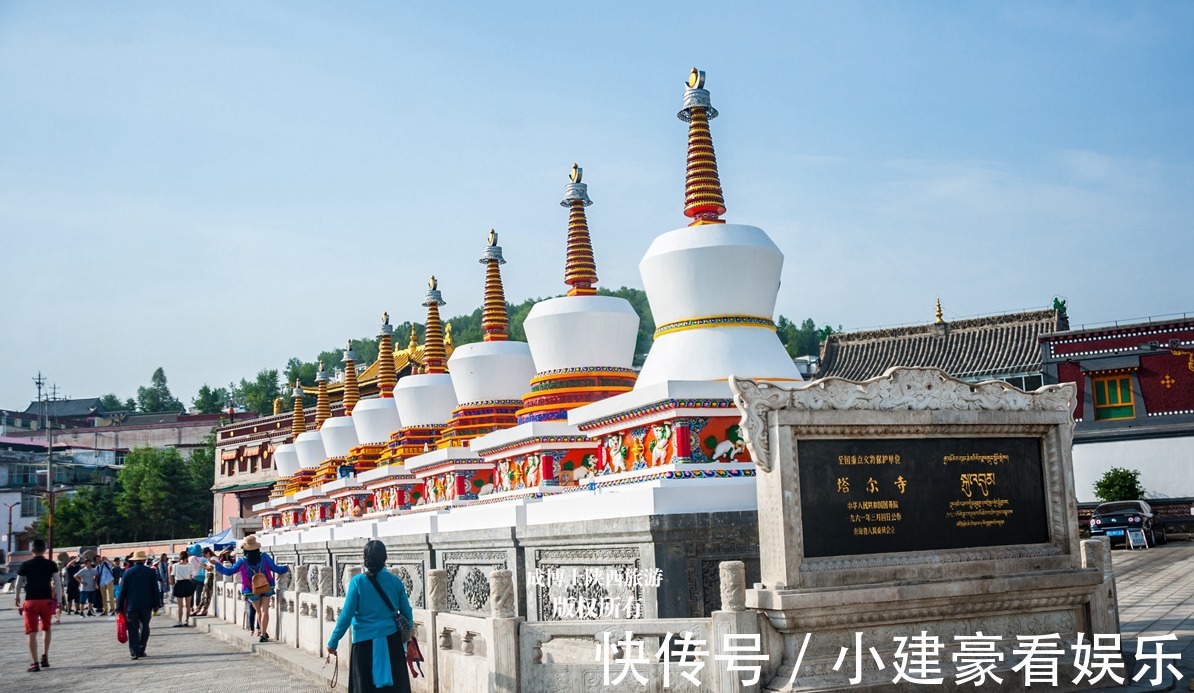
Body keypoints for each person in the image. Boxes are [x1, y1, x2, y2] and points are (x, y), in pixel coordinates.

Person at [327, 540, 413, 693]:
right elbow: (407, 613)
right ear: (385, 558)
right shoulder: (395, 582)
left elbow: (346, 615)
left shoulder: (357, 582)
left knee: (365, 687)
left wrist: (333, 641)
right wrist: (406, 641)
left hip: (364, 644)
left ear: (365, 558)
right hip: (391, 641)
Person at [209, 535, 288, 642]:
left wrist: (217, 565)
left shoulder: (242, 561)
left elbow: (229, 572)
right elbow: (275, 568)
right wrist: (286, 568)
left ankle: (262, 632)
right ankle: (263, 634)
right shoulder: (264, 556)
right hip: (266, 586)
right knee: (265, 610)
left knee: (259, 612)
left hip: (251, 590)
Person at [15, 538, 63, 673]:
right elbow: (57, 583)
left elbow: (19, 583)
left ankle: (35, 663)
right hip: (46, 600)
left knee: (31, 632)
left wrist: (16, 596)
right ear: (44, 550)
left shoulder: (25, 565)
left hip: (30, 601)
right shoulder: (51, 564)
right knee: (46, 628)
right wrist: (59, 600)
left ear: (32, 550)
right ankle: (45, 656)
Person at [117, 549, 162, 660]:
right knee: (145, 626)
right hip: (147, 604)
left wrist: (118, 606)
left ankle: (134, 652)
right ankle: (142, 649)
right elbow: (155, 589)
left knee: (133, 628)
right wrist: (157, 604)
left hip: (132, 604)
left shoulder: (128, 572)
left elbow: (122, 591)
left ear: (134, 561)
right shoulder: (151, 572)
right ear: (143, 560)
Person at [170, 550, 195, 627]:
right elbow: (191, 575)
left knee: (180, 606)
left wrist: (172, 584)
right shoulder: (190, 565)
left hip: (179, 583)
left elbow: (172, 575)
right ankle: (186, 621)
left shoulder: (175, 565)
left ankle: (180, 621)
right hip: (187, 583)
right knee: (188, 605)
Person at [192, 547, 217, 616]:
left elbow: (210, 568)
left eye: (205, 555)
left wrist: (203, 566)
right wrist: (204, 565)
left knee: (207, 595)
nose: (205, 557)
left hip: (210, 578)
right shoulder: (210, 559)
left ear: (208, 553)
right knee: (204, 595)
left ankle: (204, 610)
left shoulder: (213, 559)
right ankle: (198, 609)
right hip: (207, 578)